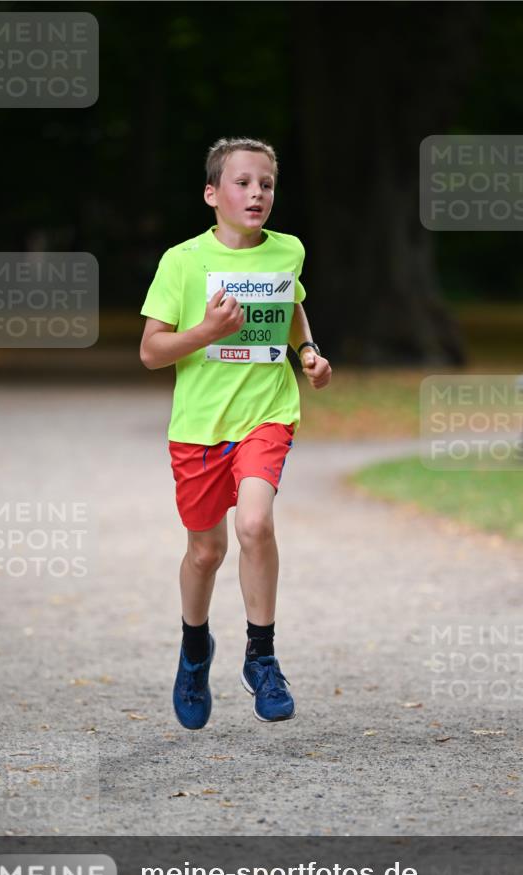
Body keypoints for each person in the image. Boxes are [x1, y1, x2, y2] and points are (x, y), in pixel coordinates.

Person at [139, 137, 332, 729]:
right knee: (206, 552)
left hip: (266, 413)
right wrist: (206, 331)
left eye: (266, 184)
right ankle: (195, 650)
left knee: (254, 523)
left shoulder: (288, 250)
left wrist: (308, 351)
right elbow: (151, 351)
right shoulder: (182, 261)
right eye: (243, 183)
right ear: (211, 194)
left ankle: (262, 656)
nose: (256, 194)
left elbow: (291, 306)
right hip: (199, 427)